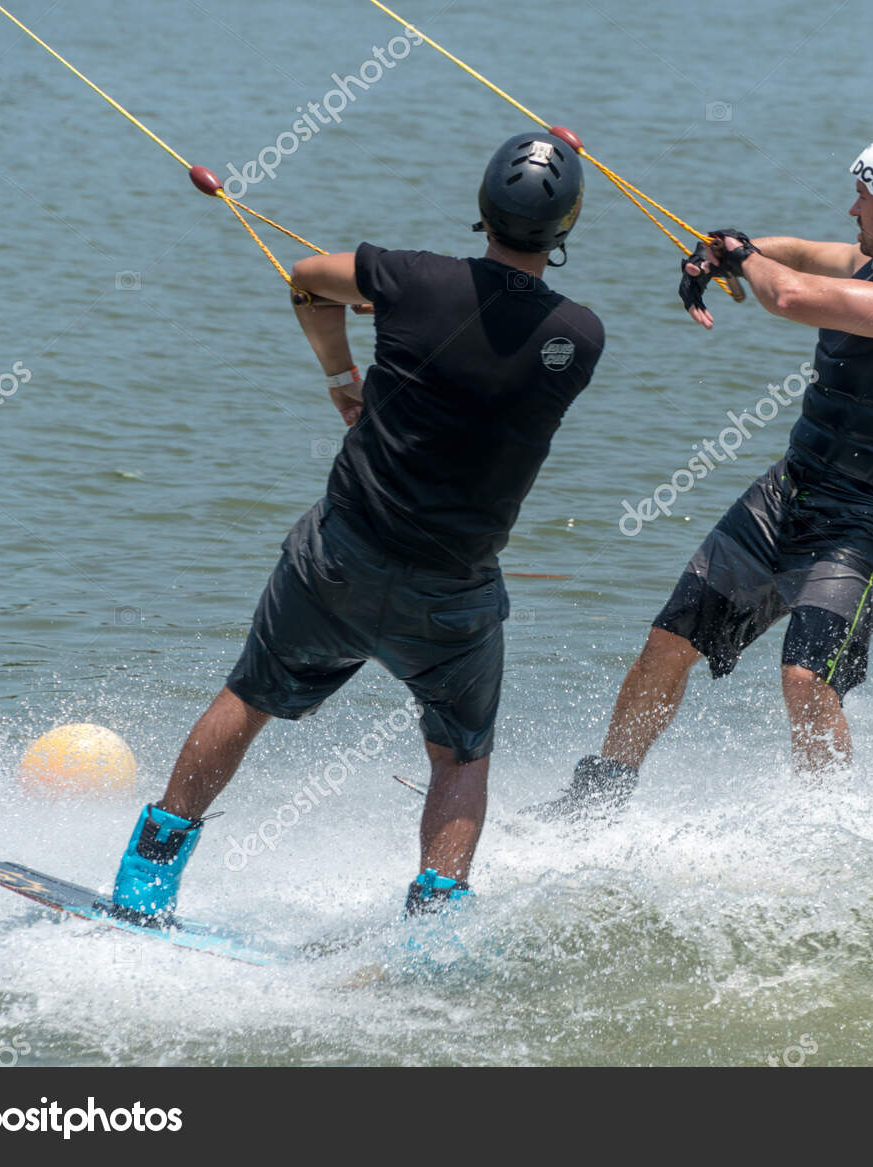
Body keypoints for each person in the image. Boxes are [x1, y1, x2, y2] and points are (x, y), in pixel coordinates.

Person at [110, 130, 604, 919]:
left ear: (481, 207)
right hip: (452, 596)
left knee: (248, 697)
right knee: (460, 758)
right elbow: (490, 334)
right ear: (567, 226)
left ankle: (145, 883)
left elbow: (307, 280)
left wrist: (344, 378)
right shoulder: (579, 337)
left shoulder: (408, 277)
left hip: (337, 561)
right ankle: (432, 934)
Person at [533, 134, 873, 821]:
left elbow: (794, 293)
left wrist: (746, 260)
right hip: (787, 494)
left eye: (864, 195)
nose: (851, 206)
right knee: (668, 643)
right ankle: (596, 798)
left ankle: (829, 830)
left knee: (807, 680)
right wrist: (725, 249)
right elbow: (799, 257)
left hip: (862, 524)